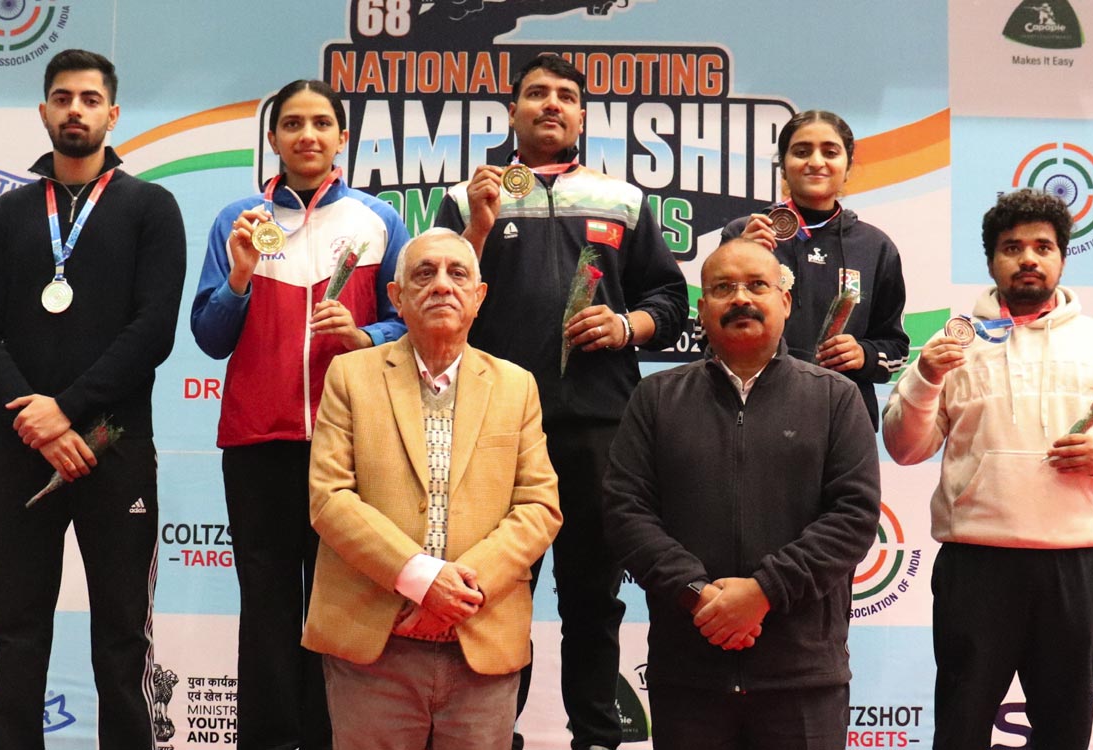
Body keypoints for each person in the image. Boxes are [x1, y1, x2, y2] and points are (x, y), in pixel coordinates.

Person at [435, 53, 688, 750]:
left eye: (566, 97)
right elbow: (440, 301)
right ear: (510, 111)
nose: (552, 104)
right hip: (494, 428)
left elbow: (669, 300)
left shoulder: (622, 199)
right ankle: (492, 737)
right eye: (536, 94)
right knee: (493, 593)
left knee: (592, 597)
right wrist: (479, 228)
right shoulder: (465, 197)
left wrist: (626, 324)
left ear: (582, 116)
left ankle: (597, 738)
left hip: (600, 426)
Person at [882, 189, 1093, 750]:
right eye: (1012, 247)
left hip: (1073, 570)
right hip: (975, 568)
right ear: (992, 260)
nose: (1028, 258)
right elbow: (904, 448)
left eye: (1043, 246)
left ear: (1063, 257)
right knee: (961, 731)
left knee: (1065, 734)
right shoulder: (953, 345)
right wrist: (923, 377)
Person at [0, 49, 186, 750]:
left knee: (121, 637)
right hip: (22, 451)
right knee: (18, 634)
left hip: (114, 451)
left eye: (90, 99)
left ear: (112, 114)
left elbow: (152, 331)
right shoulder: (6, 214)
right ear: (44, 111)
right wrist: (34, 415)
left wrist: (67, 410)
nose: (76, 110)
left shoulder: (152, 208)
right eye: (63, 98)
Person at [190, 79, 409, 749]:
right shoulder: (238, 221)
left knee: (339, 603)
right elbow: (208, 336)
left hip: (351, 445)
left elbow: (411, 321)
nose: (307, 135)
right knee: (267, 604)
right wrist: (238, 279)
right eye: (292, 123)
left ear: (343, 138)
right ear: (274, 138)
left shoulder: (380, 220)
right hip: (259, 443)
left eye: (321, 123)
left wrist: (365, 335)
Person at [602, 238, 881, 749]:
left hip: (802, 678)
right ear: (701, 309)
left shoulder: (835, 398)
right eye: (723, 288)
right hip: (688, 675)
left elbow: (854, 517)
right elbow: (626, 513)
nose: (741, 299)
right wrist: (697, 595)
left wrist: (762, 593)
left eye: (757, 285)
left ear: (786, 302)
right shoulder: (655, 399)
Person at [302, 228, 562, 749]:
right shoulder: (349, 375)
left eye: (457, 273)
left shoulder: (517, 385)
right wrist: (422, 580)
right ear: (396, 298)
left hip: (479, 640)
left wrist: (458, 592)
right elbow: (330, 498)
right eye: (424, 273)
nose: (442, 285)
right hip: (374, 644)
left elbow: (539, 506)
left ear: (479, 296)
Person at [721, 110, 908, 430]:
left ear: (848, 167)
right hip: (753, 414)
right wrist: (741, 258)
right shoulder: (745, 234)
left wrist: (864, 354)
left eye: (830, 152)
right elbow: (706, 336)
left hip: (842, 419)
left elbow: (896, 348)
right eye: (802, 151)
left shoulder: (875, 247)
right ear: (783, 166)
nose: (816, 161)